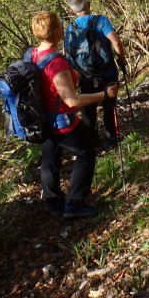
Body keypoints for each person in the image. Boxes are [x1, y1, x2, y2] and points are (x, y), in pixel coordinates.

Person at [30, 11, 117, 220]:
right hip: (61, 122)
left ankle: (54, 203)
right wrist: (103, 94)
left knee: (49, 160)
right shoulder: (56, 63)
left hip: (41, 120)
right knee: (86, 151)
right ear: (57, 31)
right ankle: (74, 203)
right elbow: (71, 100)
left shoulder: (32, 54)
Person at [65, 0, 128, 145]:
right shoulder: (101, 21)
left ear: (72, 11)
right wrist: (122, 60)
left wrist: (75, 77)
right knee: (108, 105)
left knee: (88, 107)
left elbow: (68, 55)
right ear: (89, 4)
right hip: (108, 72)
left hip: (85, 75)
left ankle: (91, 140)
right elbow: (116, 43)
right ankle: (111, 138)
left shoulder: (70, 29)